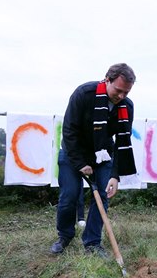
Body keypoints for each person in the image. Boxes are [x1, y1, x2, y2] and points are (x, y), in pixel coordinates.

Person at [50, 63, 137, 256]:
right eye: (118, 90)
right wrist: (80, 163)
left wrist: (116, 175)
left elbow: (123, 141)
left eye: (127, 92)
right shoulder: (84, 94)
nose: (122, 96)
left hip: (103, 154)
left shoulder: (126, 106)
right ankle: (64, 236)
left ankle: (92, 242)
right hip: (74, 152)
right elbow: (69, 131)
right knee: (69, 196)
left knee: (103, 196)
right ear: (107, 80)